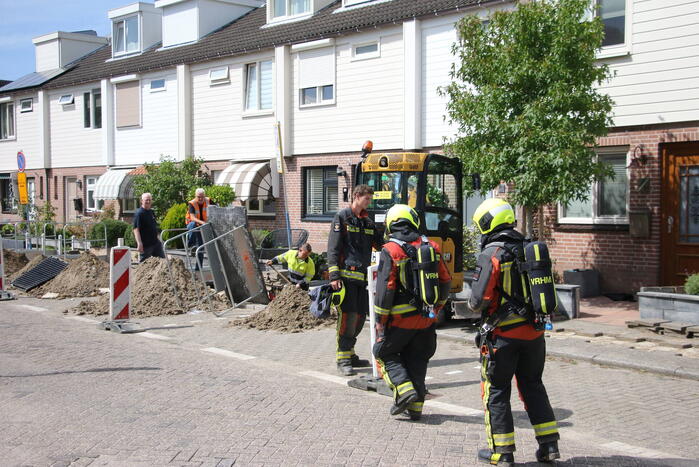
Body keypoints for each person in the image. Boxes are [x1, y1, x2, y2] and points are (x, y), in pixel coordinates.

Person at [469, 198, 560, 466]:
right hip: (534, 334)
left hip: (503, 337)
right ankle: (549, 446)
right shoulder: (530, 249)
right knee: (533, 386)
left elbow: (478, 300)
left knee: (496, 390)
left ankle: (502, 451)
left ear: (488, 223)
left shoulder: (493, 254)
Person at [373, 204, 451, 421]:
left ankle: (404, 390)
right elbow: (445, 280)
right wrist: (437, 307)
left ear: (390, 224)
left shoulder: (391, 249)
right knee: (417, 360)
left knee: (383, 352)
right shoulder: (431, 245)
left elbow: (385, 289)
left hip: (400, 320)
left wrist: (380, 321)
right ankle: (415, 409)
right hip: (426, 319)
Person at [327, 184, 383, 376]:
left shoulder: (367, 222)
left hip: (363, 280)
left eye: (370, 199)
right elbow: (333, 248)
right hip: (345, 278)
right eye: (367, 199)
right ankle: (342, 358)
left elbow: (379, 244)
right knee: (348, 316)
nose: (369, 202)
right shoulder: (342, 218)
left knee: (359, 318)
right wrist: (334, 275)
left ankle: (350, 353)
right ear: (357, 196)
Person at [133, 192, 165, 263]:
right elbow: (136, 229)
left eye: (150, 200)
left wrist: (159, 238)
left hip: (155, 243)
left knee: (162, 262)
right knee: (144, 265)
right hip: (146, 245)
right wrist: (139, 243)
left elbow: (154, 226)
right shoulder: (139, 213)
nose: (148, 201)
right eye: (146, 200)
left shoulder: (151, 212)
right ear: (142, 201)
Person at [185, 188, 212, 270]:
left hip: (201, 227)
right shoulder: (192, 203)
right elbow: (192, 218)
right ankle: (191, 244)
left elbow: (216, 210)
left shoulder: (208, 201)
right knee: (193, 224)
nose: (200, 199)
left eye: (202, 197)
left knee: (200, 247)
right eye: (198, 197)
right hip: (192, 225)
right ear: (195, 196)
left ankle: (198, 268)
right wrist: (203, 223)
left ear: (204, 196)